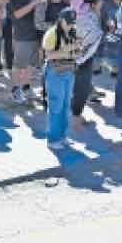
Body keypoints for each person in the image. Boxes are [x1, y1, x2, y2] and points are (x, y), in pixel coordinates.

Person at [43, 8, 82, 149]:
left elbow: (77, 52)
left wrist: (78, 50)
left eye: (73, 23)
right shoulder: (51, 33)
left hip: (69, 71)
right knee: (56, 106)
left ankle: (62, 136)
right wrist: (67, 49)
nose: (71, 25)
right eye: (68, 22)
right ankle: (53, 140)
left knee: (65, 106)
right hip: (55, 72)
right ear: (60, 19)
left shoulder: (73, 31)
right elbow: (48, 55)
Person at [9, 0, 46, 104]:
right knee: (19, 65)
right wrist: (34, 3)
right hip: (22, 35)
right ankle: (15, 89)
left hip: (35, 34)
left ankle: (25, 87)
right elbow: (16, 15)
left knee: (31, 64)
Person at [73, 0, 104, 127]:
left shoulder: (94, 16)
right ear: (93, 4)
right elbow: (85, 40)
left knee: (82, 87)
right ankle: (76, 117)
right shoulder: (87, 18)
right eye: (100, 1)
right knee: (82, 88)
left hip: (85, 57)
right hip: (82, 58)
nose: (102, 3)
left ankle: (76, 115)